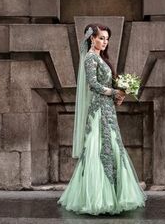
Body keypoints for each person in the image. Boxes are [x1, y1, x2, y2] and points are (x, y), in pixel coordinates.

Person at [58, 23, 147, 215]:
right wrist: (115, 92)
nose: (105, 42)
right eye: (101, 38)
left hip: (107, 109)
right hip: (98, 110)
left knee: (112, 146)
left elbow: (106, 85)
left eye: (107, 39)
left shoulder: (101, 58)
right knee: (98, 147)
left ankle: (113, 195)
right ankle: (97, 198)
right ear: (92, 38)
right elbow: (93, 85)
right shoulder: (90, 58)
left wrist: (120, 93)